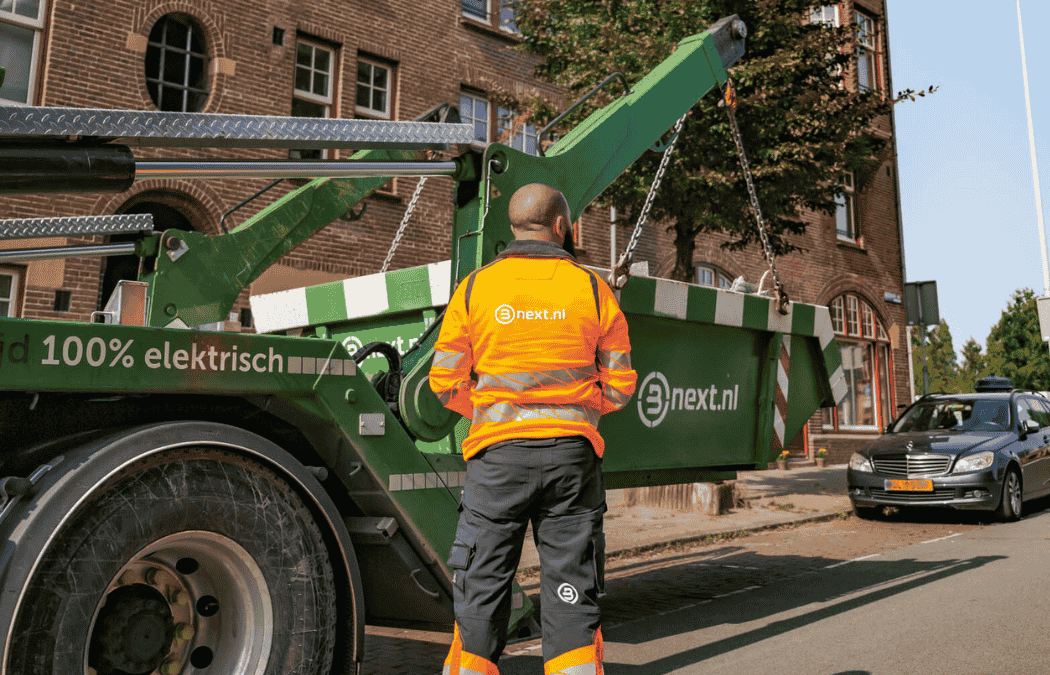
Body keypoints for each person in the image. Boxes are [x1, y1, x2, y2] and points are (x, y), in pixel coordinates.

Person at [430, 183, 637, 675]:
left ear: (513, 228)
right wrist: (580, 410)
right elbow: (622, 385)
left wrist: (490, 412)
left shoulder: (477, 288)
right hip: (571, 460)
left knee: (482, 580)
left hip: (496, 461)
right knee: (570, 582)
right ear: (562, 227)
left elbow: (444, 382)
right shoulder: (591, 289)